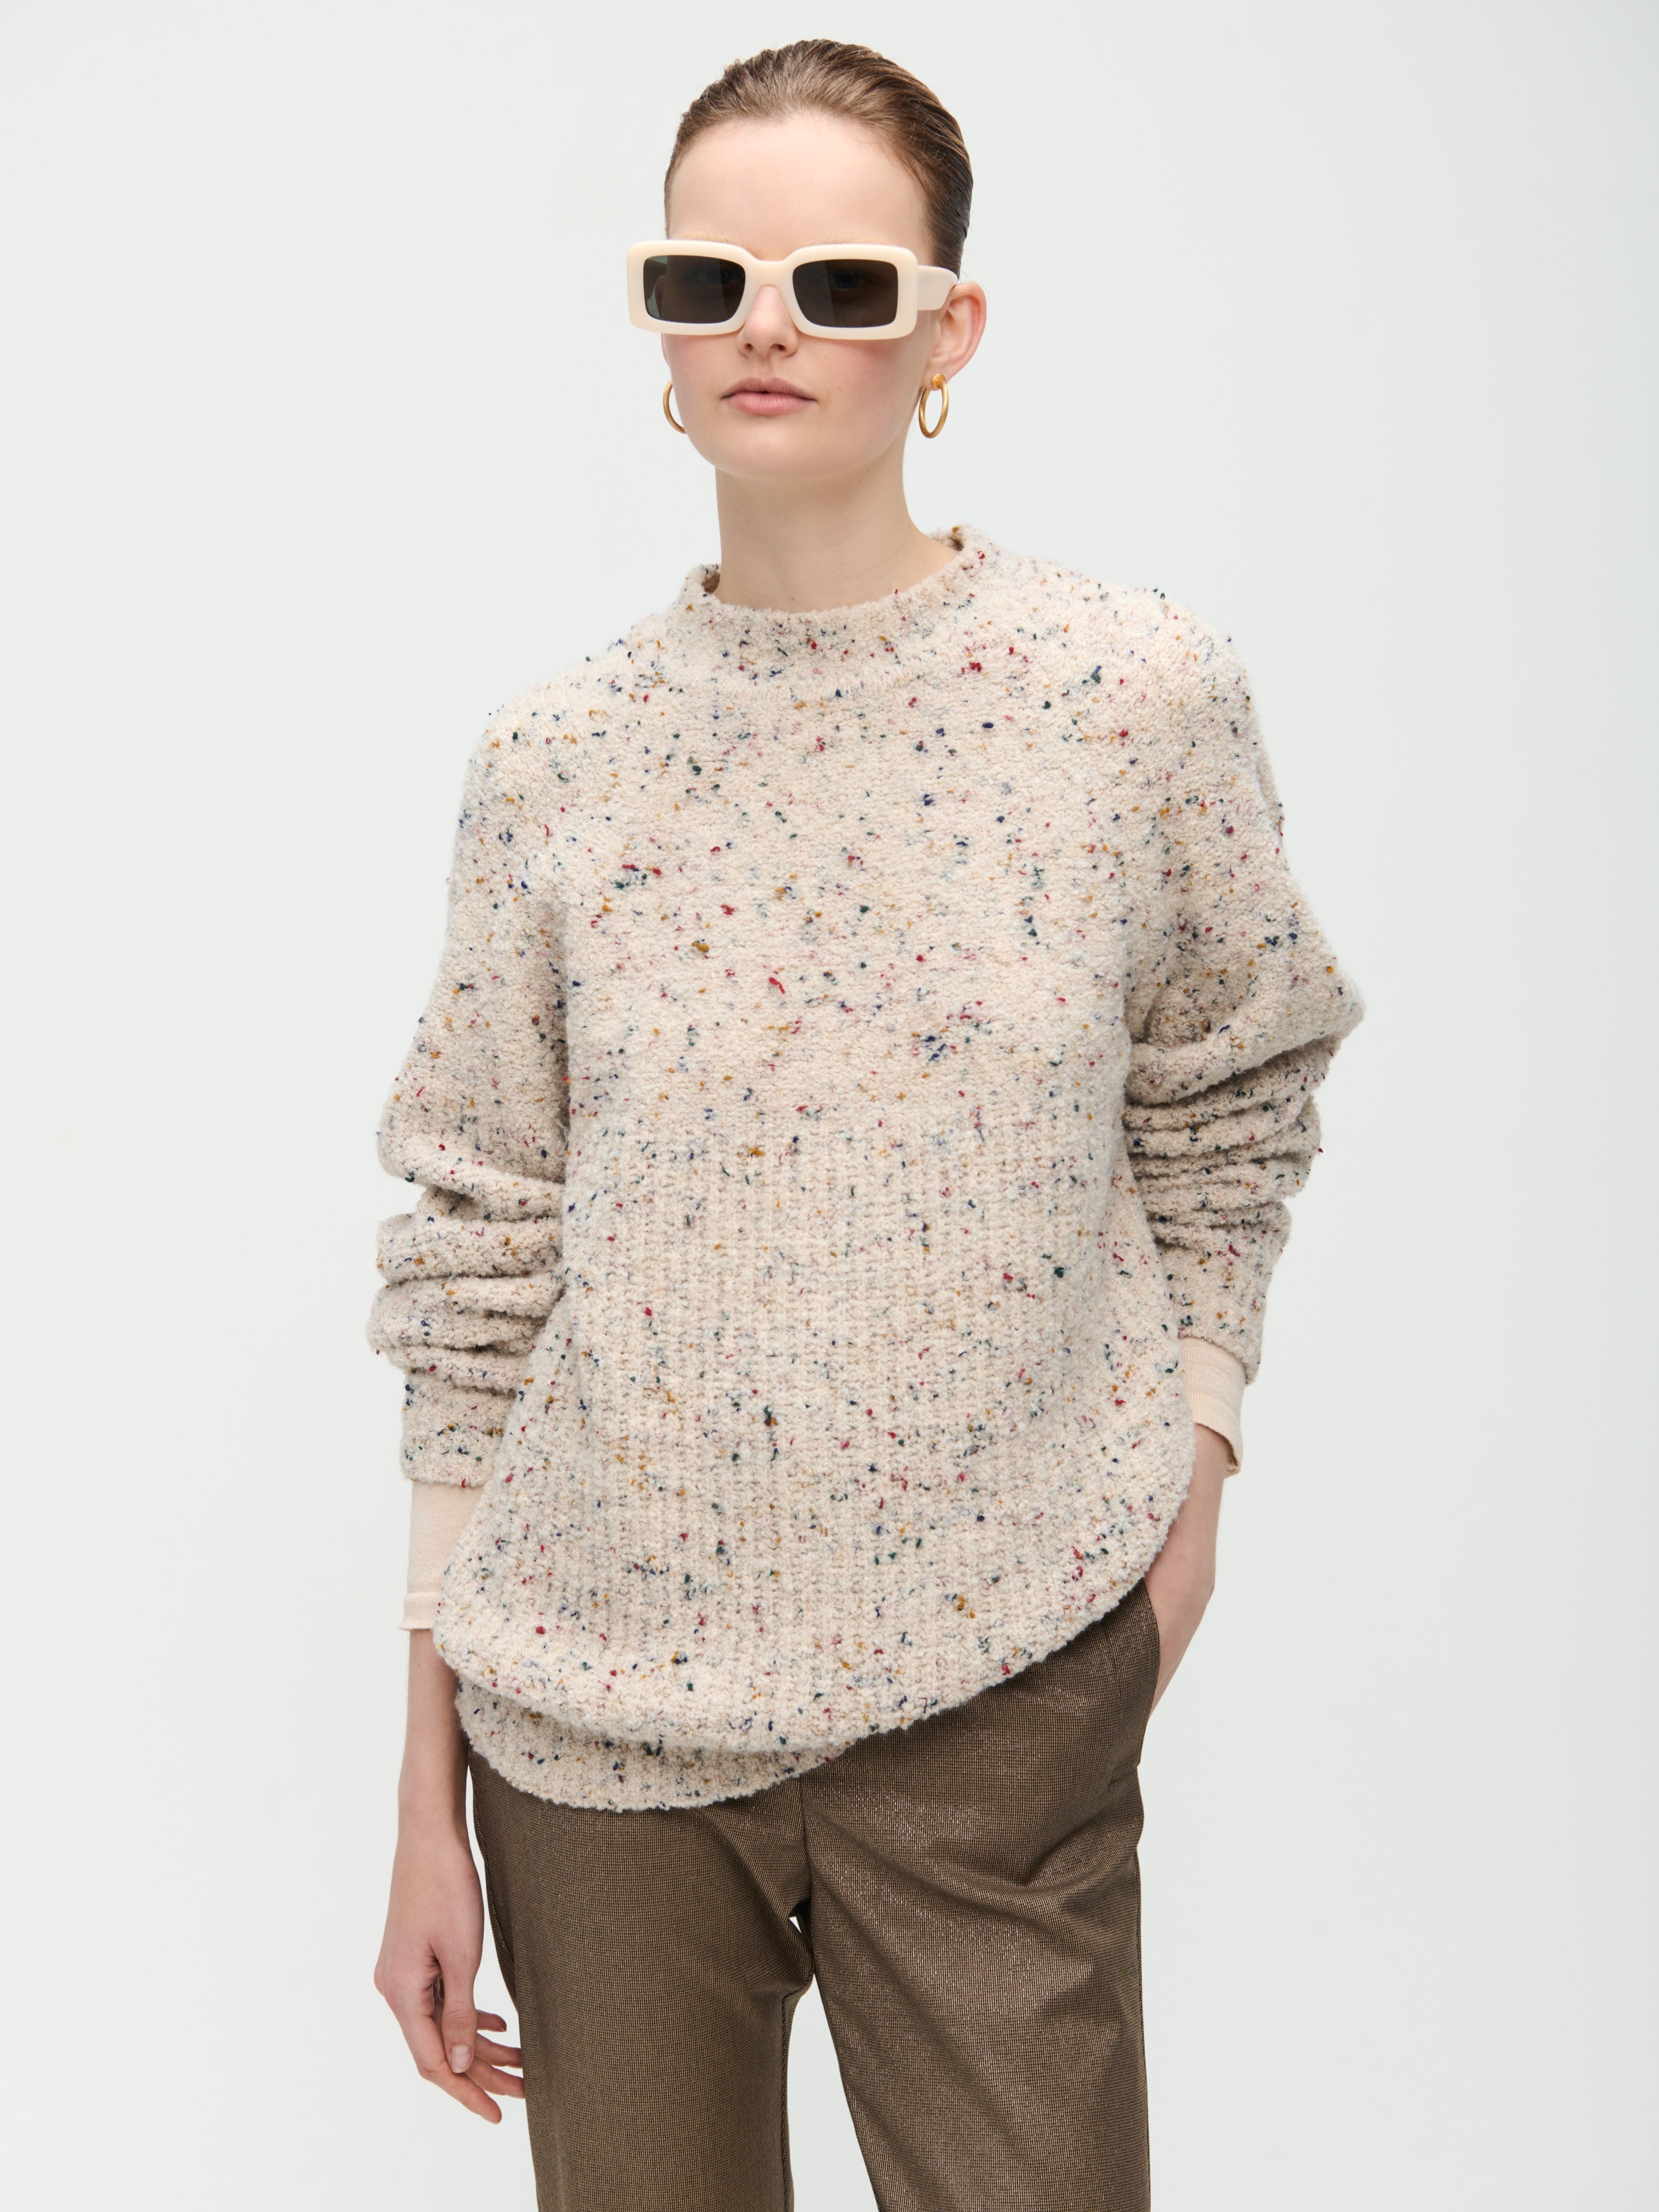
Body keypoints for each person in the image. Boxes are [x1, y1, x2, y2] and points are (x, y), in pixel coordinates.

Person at [370, 38, 1365, 2212]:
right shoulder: (554, 765)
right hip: (593, 1735)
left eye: (836, 282)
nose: (765, 327)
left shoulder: (1134, 697)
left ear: (947, 329)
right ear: (654, 325)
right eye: (704, 279)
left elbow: (1233, 1094)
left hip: (1008, 1687)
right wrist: (421, 1790)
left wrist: (1190, 1473)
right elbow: (476, 1258)